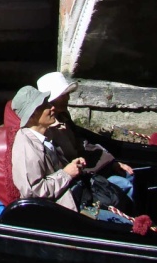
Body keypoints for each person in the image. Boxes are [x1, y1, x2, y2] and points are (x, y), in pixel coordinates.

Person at [36, 71, 135, 202]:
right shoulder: (45, 130)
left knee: (127, 175)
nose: (68, 98)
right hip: (78, 181)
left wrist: (111, 163)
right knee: (124, 185)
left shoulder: (64, 117)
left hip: (88, 170)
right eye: (63, 95)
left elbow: (82, 144)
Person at [10, 86, 87, 213]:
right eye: (45, 105)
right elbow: (33, 192)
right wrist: (66, 174)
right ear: (33, 115)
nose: (52, 107)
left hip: (73, 198)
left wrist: (73, 165)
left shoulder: (46, 135)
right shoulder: (26, 147)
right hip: (58, 212)